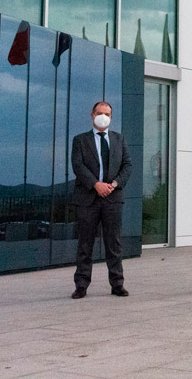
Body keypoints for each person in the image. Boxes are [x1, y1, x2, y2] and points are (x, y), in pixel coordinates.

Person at [71, 101, 133, 299]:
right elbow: (78, 165)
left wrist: (113, 185)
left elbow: (127, 165)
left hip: (113, 199)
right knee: (85, 244)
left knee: (113, 243)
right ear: (92, 115)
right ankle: (81, 285)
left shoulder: (119, 139)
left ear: (111, 117)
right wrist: (95, 184)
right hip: (88, 198)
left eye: (107, 114)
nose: (103, 116)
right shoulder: (80, 140)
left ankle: (117, 284)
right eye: (99, 113)